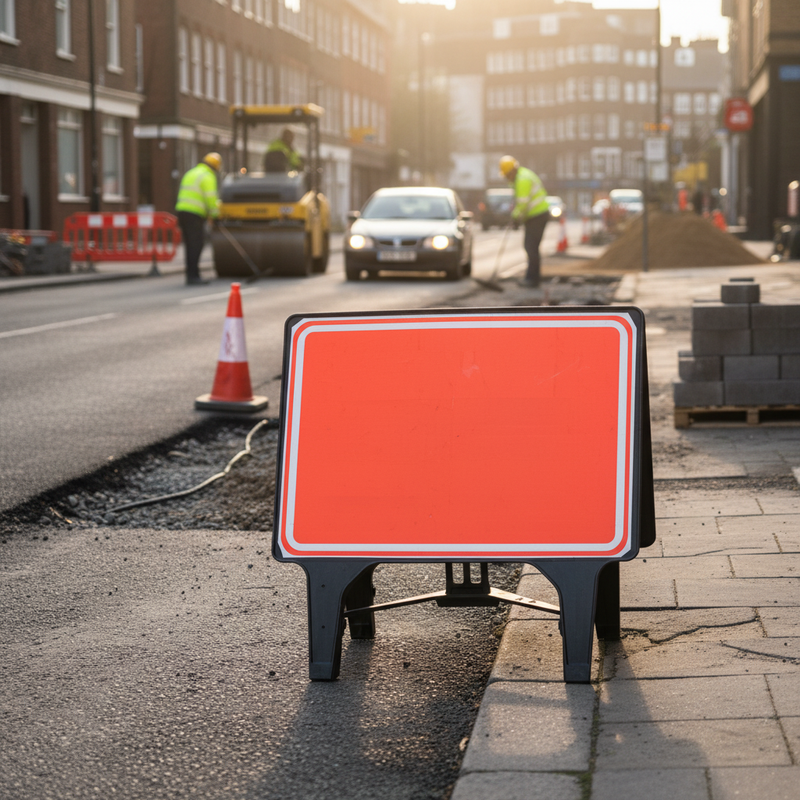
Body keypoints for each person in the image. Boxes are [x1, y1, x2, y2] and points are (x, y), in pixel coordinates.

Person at [499, 155, 550, 287]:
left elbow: (522, 204)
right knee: (531, 247)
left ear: (511, 172)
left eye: (506, 175)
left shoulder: (522, 180)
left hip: (537, 215)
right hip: (535, 216)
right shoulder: (521, 176)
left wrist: (515, 218)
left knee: (530, 247)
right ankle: (531, 278)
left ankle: (532, 279)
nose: (506, 178)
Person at [175, 152, 221, 285]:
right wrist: (215, 215)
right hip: (194, 214)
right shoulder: (208, 176)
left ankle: (191, 274)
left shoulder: (191, 172)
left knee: (189, 245)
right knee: (197, 244)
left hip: (182, 211)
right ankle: (194, 276)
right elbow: (211, 198)